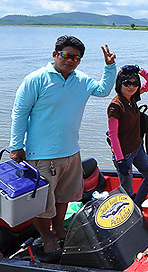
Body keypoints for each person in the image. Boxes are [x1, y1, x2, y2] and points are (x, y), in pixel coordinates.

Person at [9, 35, 116, 253]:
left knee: (64, 198)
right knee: (40, 203)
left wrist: (110, 66)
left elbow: (103, 90)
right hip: (41, 154)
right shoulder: (36, 79)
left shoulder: (81, 80)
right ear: (55, 54)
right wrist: (16, 146)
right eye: (66, 55)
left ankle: (59, 230)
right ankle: (46, 236)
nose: (71, 60)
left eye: (76, 58)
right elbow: (19, 114)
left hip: (71, 152)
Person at [108, 65, 148, 206]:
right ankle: (131, 212)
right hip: (124, 155)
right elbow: (113, 134)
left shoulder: (133, 98)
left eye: (135, 83)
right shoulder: (115, 106)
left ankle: (137, 204)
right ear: (120, 84)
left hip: (137, 148)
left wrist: (139, 69)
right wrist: (120, 160)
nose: (132, 87)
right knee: (127, 192)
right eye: (127, 83)